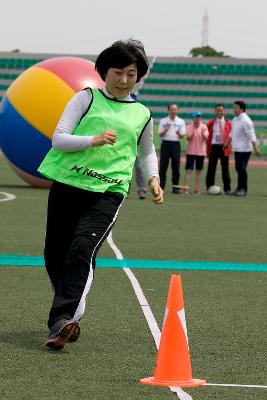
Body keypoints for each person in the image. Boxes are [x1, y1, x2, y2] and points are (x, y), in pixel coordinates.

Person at [38, 39, 163, 350]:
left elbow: (146, 151)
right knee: (55, 253)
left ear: (139, 76)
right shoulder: (86, 98)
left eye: (131, 74)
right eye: (117, 72)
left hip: (108, 192)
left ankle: (63, 318)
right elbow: (59, 139)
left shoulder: (143, 113)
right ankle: (67, 310)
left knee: (82, 248)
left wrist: (154, 179)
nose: (123, 80)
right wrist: (92, 140)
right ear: (104, 71)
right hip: (68, 184)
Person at [227, 101, 261, 196]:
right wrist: (227, 143)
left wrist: (256, 148)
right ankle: (239, 188)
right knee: (238, 169)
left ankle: (243, 189)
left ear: (241, 109)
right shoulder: (235, 119)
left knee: (241, 169)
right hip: (237, 148)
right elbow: (232, 133)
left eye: (236, 108)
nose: (234, 110)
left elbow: (252, 134)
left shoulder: (246, 120)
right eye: (234, 108)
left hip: (245, 149)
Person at [158, 104, 186, 193]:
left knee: (176, 166)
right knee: (163, 166)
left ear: (177, 110)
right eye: (171, 109)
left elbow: (182, 136)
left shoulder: (181, 121)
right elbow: (160, 134)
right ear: (168, 110)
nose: (173, 111)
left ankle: (175, 187)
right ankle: (161, 187)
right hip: (165, 144)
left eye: (175, 109)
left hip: (175, 145)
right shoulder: (163, 121)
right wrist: (166, 130)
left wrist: (179, 134)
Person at [206, 104, 232, 194]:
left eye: (221, 110)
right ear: (215, 111)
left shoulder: (229, 122)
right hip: (214, 146)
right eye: (217, 110)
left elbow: (231, 136)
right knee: (211, 168)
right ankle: (209, 186)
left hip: (224, 147)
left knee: (225, 168)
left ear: (224, 111)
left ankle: (227, 188)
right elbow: (207, 135)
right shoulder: (211, 123)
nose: (219, 112)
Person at [184, 111, 209, 194]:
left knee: (198, 171)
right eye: (196, 117)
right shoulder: (189, 126)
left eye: (199, 117)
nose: (197, 118)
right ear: (193, 118)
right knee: (188, 170)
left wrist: (203, 134)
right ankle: (186, 188)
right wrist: (192, 133)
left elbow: (206, 138)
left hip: (200, 152)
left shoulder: (204, 126)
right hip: (190, 151)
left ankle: (197, 189)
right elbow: (188, 138)